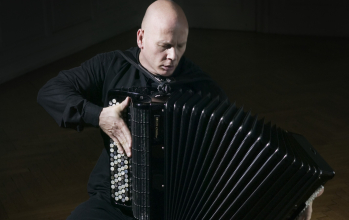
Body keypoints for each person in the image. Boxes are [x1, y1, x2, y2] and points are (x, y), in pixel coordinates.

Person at [37, 1, 322, 219]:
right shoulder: (111, 66)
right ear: (140, 38)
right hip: (115, 202)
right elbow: (51, 91)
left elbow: (240, 156)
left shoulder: (201, 87)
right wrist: (98, 115)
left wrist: (290, 199)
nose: (172, 56)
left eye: (180, 46)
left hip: (181, 209)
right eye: (164, 46)